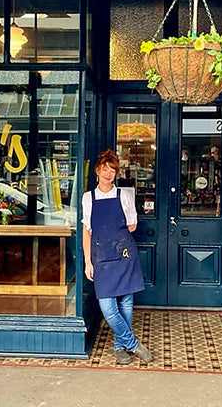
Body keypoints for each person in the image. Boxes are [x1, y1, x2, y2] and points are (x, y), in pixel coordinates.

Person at [82, 149, 153, 365]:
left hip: (123, 255)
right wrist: (88, 261)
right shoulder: (88, 198)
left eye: (112, 170)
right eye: (105, 169)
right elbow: (87, 231)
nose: (108, 174)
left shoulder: (125, 195)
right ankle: (132, 343)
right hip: (101, 257)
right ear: (97, 171)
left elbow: (132, 225)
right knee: (107, 305)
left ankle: (119, 346)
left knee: (126, 302)